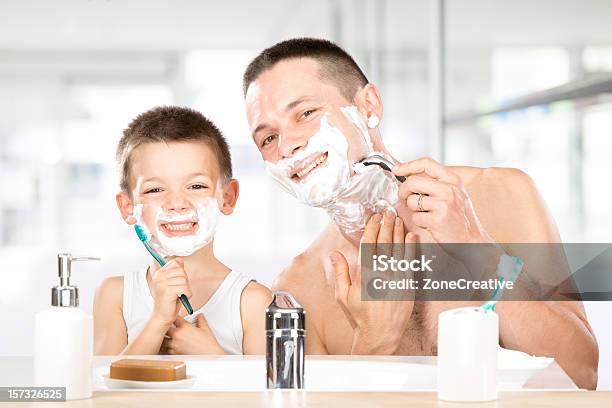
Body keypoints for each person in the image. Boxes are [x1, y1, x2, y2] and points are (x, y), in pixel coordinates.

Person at [242, 38, 598, 389]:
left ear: (368, 106)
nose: (288, 145)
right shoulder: (300, 287)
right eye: (268, 139)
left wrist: (476, 248)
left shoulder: (500, 196)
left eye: (305, 113)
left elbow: (581, 373)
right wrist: (372, 342)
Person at [93, 106, 271, 355]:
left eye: (196, 186)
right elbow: (105, 389)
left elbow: (261, 394)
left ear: (227, 197)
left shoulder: (252, 301)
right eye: (155, 190)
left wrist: (214, 358)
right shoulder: (115, 296)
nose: (177, 203)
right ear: (127, 208)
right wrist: (157, 322)